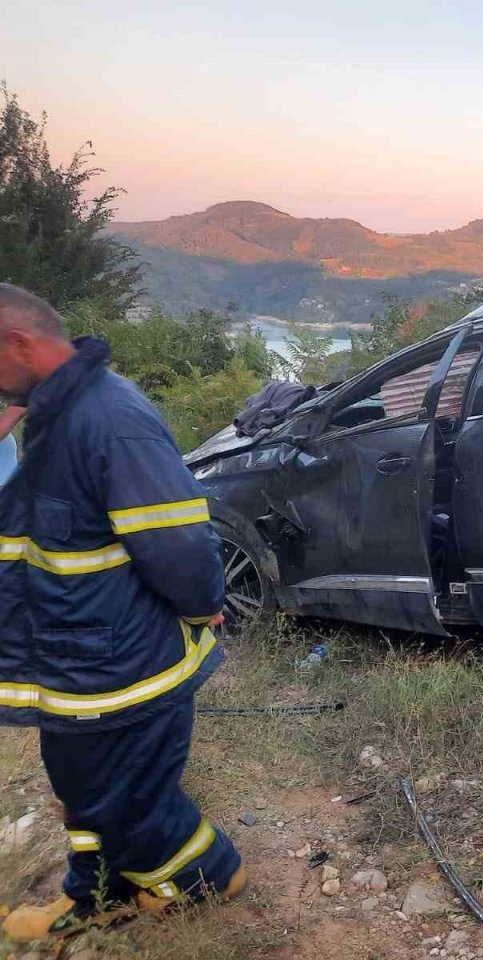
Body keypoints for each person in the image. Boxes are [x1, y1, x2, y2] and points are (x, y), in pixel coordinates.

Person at [0, 284, 244, 943]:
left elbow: (177, 543)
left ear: (19, 343)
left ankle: (209, 877)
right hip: (76, 656)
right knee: (83, 786)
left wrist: (204, 605)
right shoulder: (57, 411)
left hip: (118, 662)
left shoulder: (109, 419)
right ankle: (100, 894)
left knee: (125, 798)